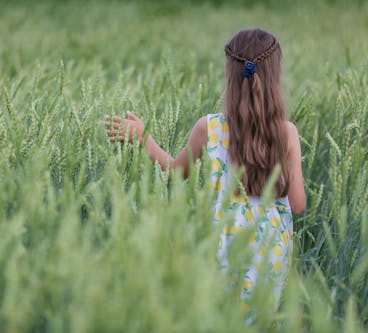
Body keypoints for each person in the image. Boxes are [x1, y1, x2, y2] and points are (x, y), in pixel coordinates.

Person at [104, 28, 306, 323]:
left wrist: (143, 137)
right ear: (276, 77)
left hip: (221, 245)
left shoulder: (209, 128)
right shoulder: (287, 134)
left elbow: (174, 173)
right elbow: (298, 204)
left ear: (229, 75)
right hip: (270, 252)